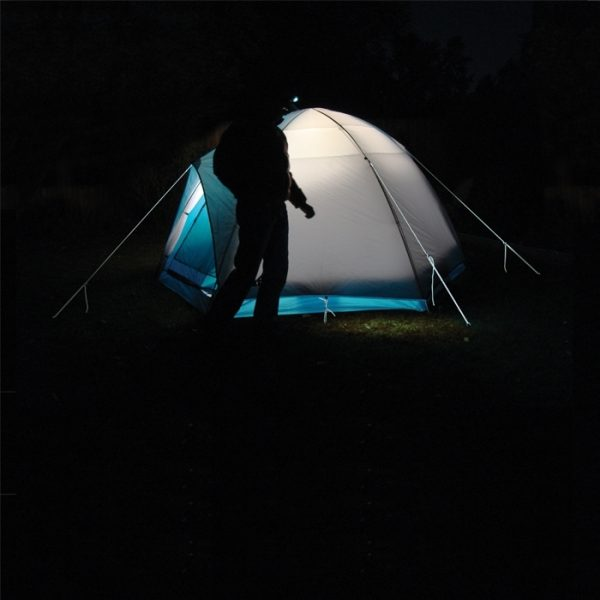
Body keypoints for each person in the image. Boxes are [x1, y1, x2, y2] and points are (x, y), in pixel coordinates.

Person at [205, 99, 315, 334]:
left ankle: (265, 321)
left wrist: (300, 202)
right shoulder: (242, 132)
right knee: (247, 270)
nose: (282, 115)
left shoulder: (276, 135)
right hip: (255, 208)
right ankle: (216, 323)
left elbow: (284, 174)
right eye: (279, 110)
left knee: (277, 268)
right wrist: (246, 192)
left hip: (276, 209)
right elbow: (221, 166)